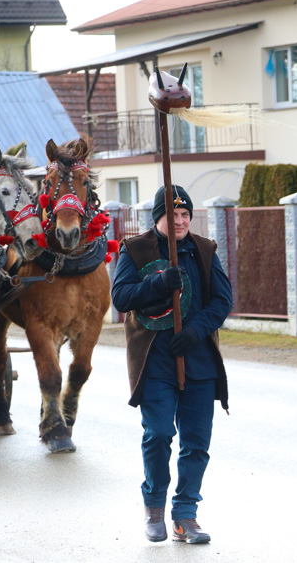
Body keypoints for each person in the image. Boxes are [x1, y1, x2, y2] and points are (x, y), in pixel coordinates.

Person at [112, 185, 233, 545]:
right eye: (172, 216)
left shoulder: (205, 250)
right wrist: (159, 282)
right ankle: (153, 507)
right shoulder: (134, 250)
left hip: (198, 360)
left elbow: (223, 301)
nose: (180, 221)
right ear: (158, 218)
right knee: (160, 433)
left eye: (185, 215)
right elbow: (121, 297)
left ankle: (185, 515)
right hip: (155, 361)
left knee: (196, 443)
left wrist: (196, 331)